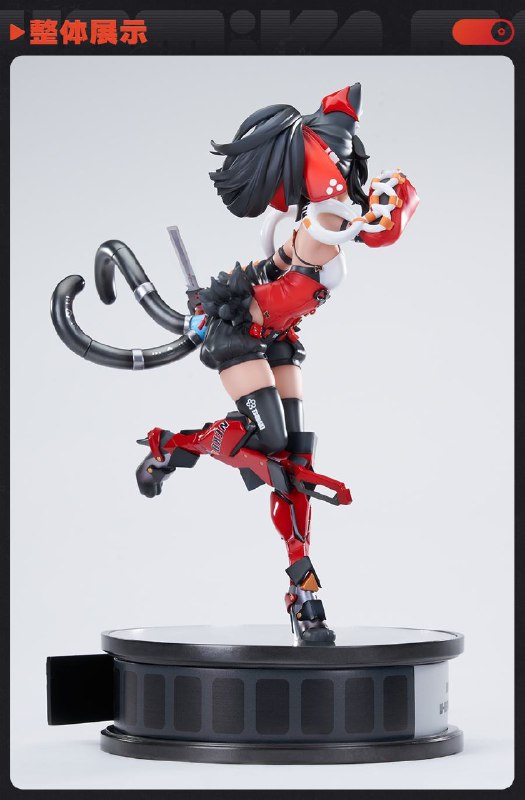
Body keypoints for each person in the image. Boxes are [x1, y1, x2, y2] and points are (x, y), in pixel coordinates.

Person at [50, 84, 419, 643]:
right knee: (269, 442)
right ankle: (170, 446)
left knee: (294, 457)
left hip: (279, 333)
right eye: (335, 160)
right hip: (240, 332)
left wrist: (384, 203)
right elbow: (352, 230)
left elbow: (283, 262)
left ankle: (303, 590)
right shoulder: (325, 224)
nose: (343, 172)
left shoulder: (321, 222)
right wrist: (213, 308)